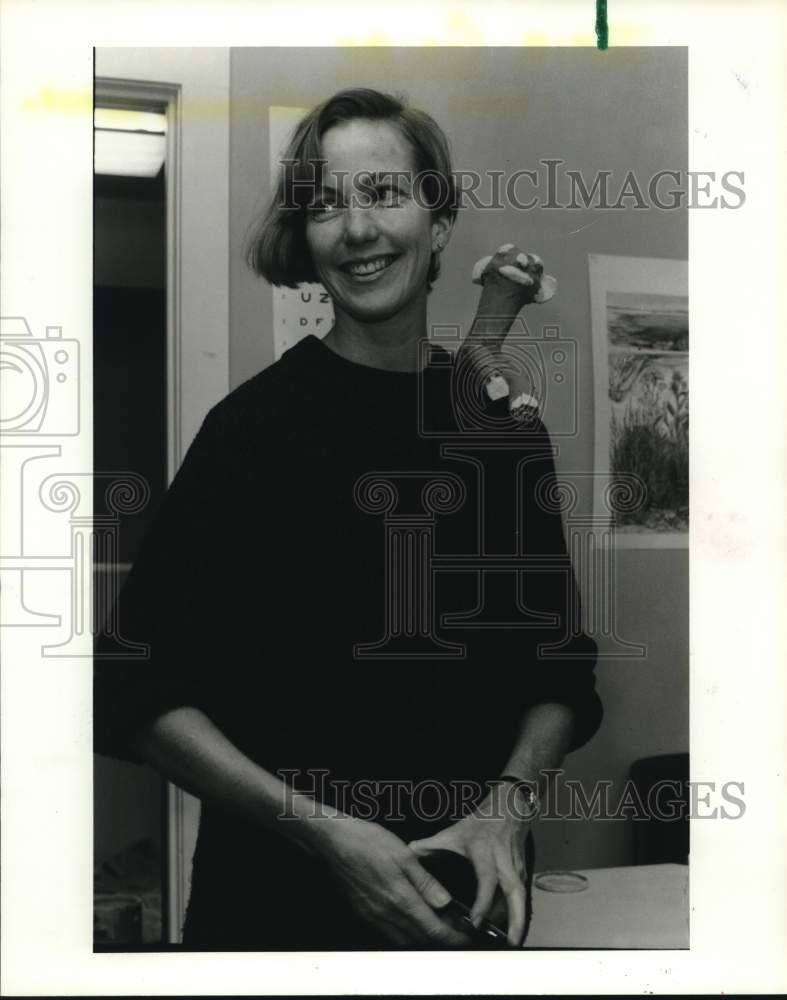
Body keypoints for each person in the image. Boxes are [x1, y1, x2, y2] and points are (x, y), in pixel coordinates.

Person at [94, 87, 602, 951]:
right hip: (275, 905)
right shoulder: (250, 433)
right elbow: (141, 695)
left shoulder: (501, 430)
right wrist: (323, 833)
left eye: (382, 194)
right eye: (324, 204)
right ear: (305, 238)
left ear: (438, 223)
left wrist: (502, 812)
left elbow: (557, 673)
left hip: (466, 899)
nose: (355, 229)